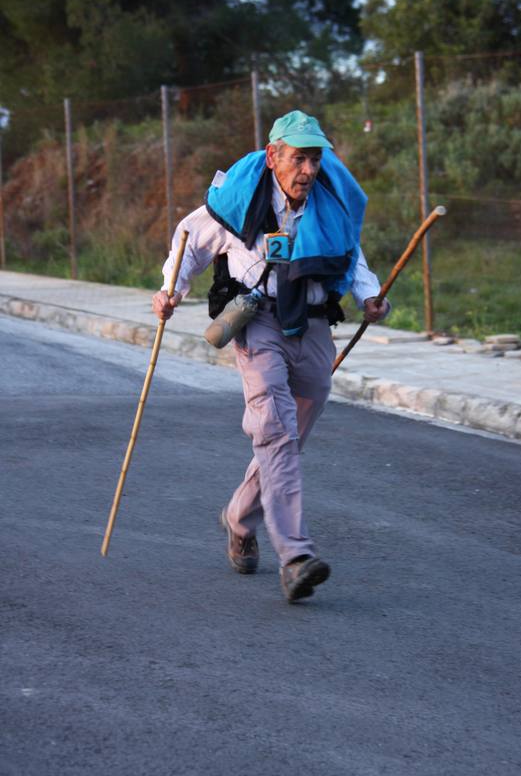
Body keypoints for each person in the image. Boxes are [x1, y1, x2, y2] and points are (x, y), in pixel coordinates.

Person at [152, 110, 389, 603]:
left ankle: (240, 517)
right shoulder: (240, 199)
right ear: (273, 156)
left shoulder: (328, 201)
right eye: (299, 159)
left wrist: (370, 295)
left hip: (314, 320)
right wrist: (169, 290)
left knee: (296, 425)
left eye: (315, 159)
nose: (308, 170)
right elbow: (189, 239)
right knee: (275, 431)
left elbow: (352, 252)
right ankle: (295, 556)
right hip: (256, 320)